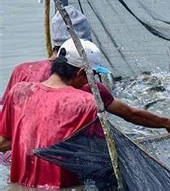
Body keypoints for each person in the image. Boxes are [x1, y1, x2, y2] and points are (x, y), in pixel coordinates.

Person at [0, 5, 170, 132]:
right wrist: (169, 123)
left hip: (17, 156)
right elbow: (130, 114)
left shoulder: (21, 72)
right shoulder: (87, 88)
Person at [0, 39, 108, 188]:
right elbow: (100, 153)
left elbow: (3, 142)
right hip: (63, 187)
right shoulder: (86, 102)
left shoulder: (20, 91)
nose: (91, 81)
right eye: (93, 74)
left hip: (19, 186)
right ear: (81, 72)